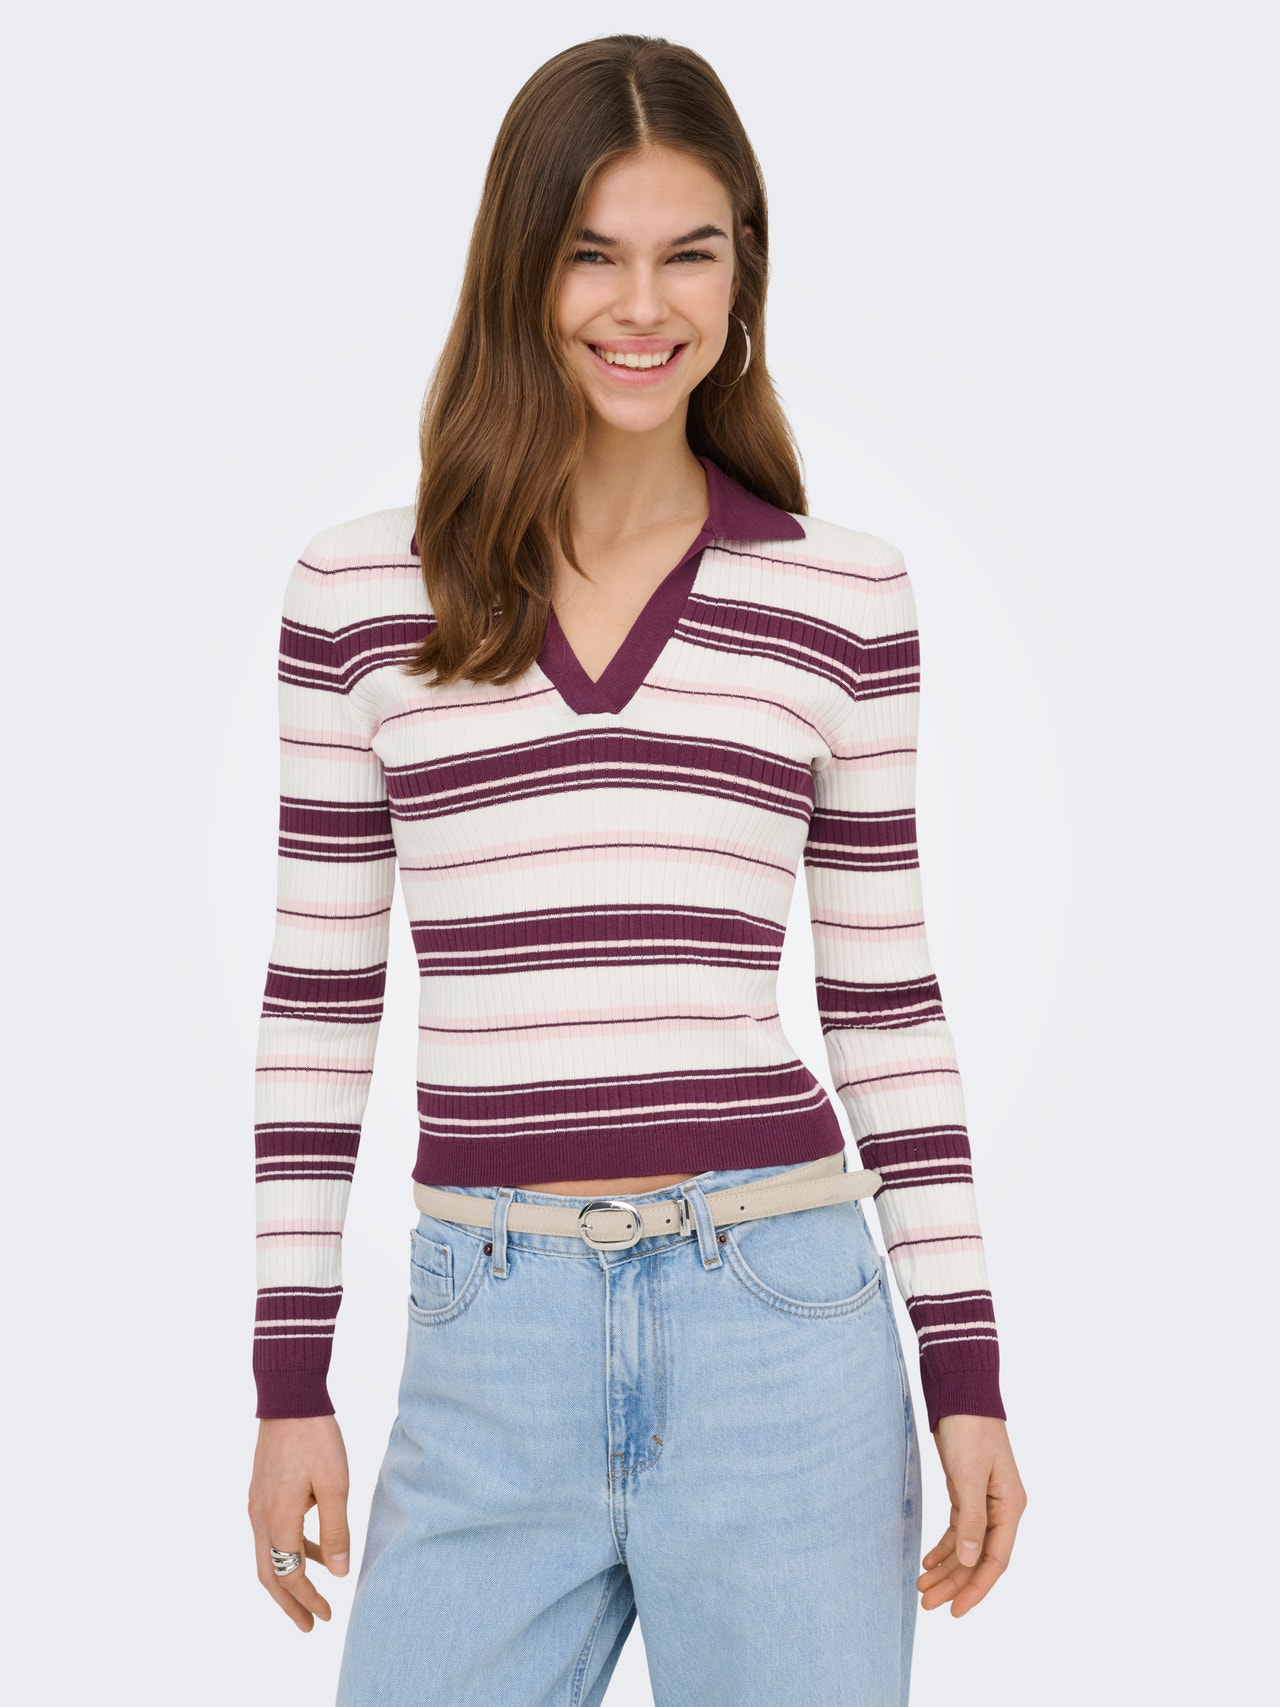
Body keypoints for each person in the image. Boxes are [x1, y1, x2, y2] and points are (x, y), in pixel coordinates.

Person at [247, 33, 1026, 1705]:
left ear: (745, 274)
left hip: (782, 1323)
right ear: (519, 269)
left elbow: (885, 1006)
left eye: (692, 253)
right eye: (592, 253)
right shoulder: (359, 595)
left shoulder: (842, 597)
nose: (642, 305)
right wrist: (286, 1378)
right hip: (487, 1338)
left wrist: (967, 1371)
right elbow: (318, 1003)